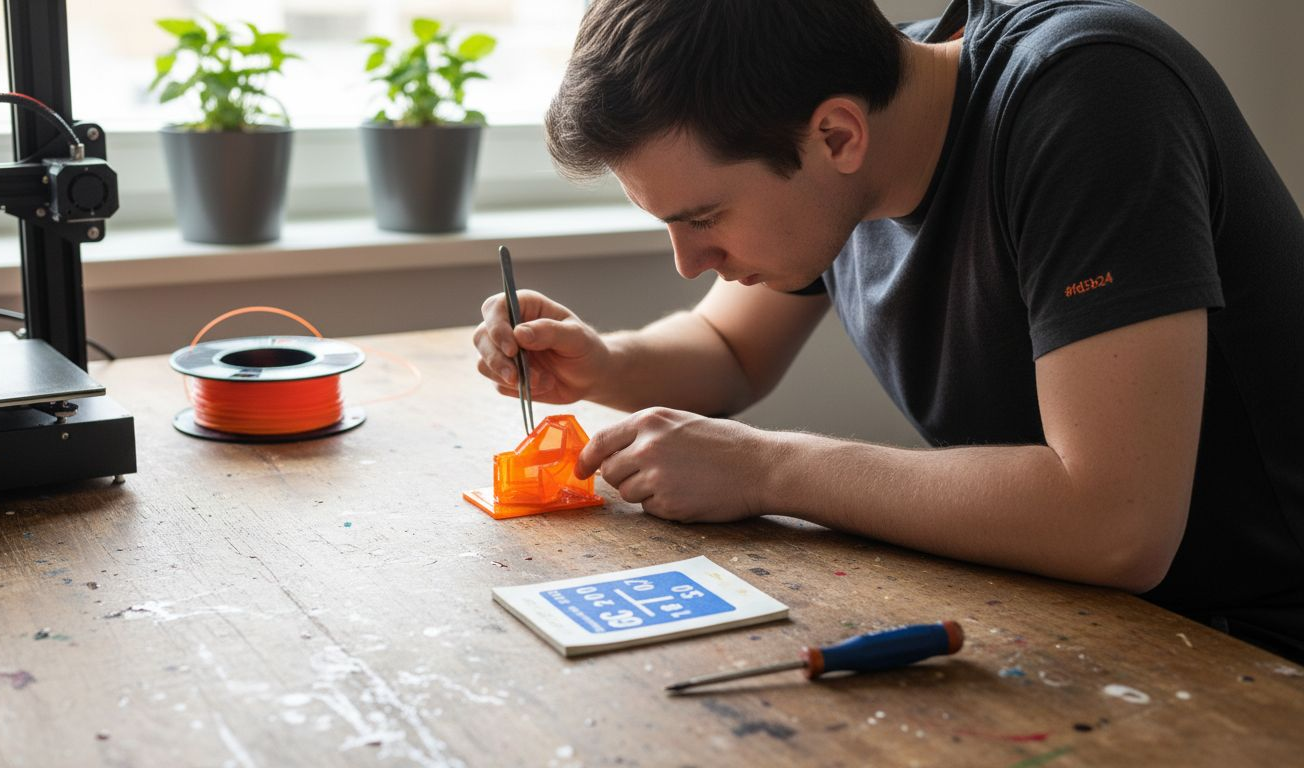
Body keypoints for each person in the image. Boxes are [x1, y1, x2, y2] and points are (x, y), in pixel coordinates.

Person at [472, 0, 1304, 662]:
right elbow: (728, 353)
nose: (688, 262)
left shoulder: (1090, 100)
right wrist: (600, 361)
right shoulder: (847, 130)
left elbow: (1117, 524)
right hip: (1079, 613)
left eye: (704, 217)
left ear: (836, 135)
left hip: (1255, 646)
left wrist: (767, 467)